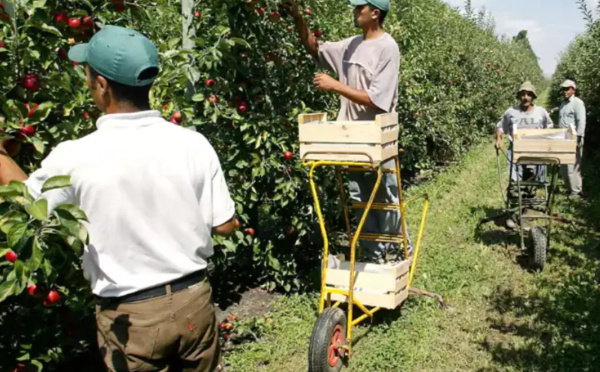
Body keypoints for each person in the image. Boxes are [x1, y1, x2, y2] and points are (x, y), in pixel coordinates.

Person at [0, 25, 234, 372]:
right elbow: (226, 226)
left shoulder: (74, 156)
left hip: (130, 317)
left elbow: (29, 207)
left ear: (102, 85)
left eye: (88, 74)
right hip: (193, 304)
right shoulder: (193, 143)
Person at [283, 0, 403, 263]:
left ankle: (395, 253)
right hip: (351, 139)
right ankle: (372, 256)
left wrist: (335, 85)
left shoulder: (388, 48)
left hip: (377, 138)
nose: (355, 10)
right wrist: (297, 16)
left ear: (375, 13)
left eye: (360, 7)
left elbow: (377, 99)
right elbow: (314, 46)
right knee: (359, 199)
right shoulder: (350, 45)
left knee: (384, 197)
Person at [495, 81, 553, 228]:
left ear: (533, 96)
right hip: (516, 153)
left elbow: (549, 128)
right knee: (515, 185)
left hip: (535, 154)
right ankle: (513, 215)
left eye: (528, 94)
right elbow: (501, 127)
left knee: (530, 185)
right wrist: (499, 138)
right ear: (519, 96)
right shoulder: (511, 112)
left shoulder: (541, 112)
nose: (525, 97)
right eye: (523, 94)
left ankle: (524, 214)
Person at [558, 79, 586, 198]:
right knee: (564, 165)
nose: (565, 91)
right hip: (563, 137)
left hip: (573, 137)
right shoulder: (563, 104)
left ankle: (576, 191)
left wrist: (578, 137)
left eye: (567, 89)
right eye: (563, 89)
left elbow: (581, 121)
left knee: (572, 165)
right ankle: (570, 188)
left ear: (573, 90)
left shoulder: (577, 103)